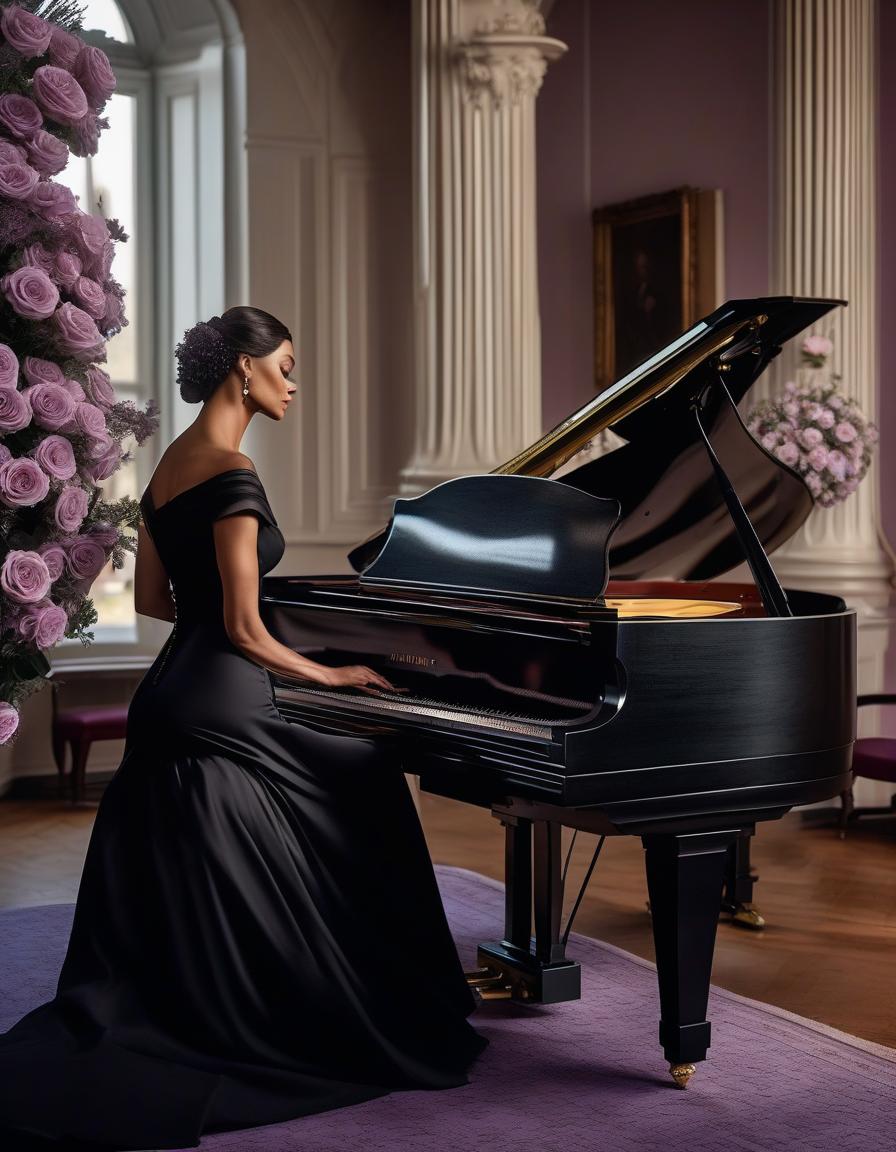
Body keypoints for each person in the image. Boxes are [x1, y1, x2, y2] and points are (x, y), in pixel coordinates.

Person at [0, 306, 489, 1150]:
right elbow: (244, 628)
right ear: (243, 370)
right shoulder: (233, 474)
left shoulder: (166, 473)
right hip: (227, 694)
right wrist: (331, 672)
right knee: (368, 770)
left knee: (350, 774)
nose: (294, 383)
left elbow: (158, 602)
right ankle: (383, 996)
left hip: (172, 696)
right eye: (287, 365)